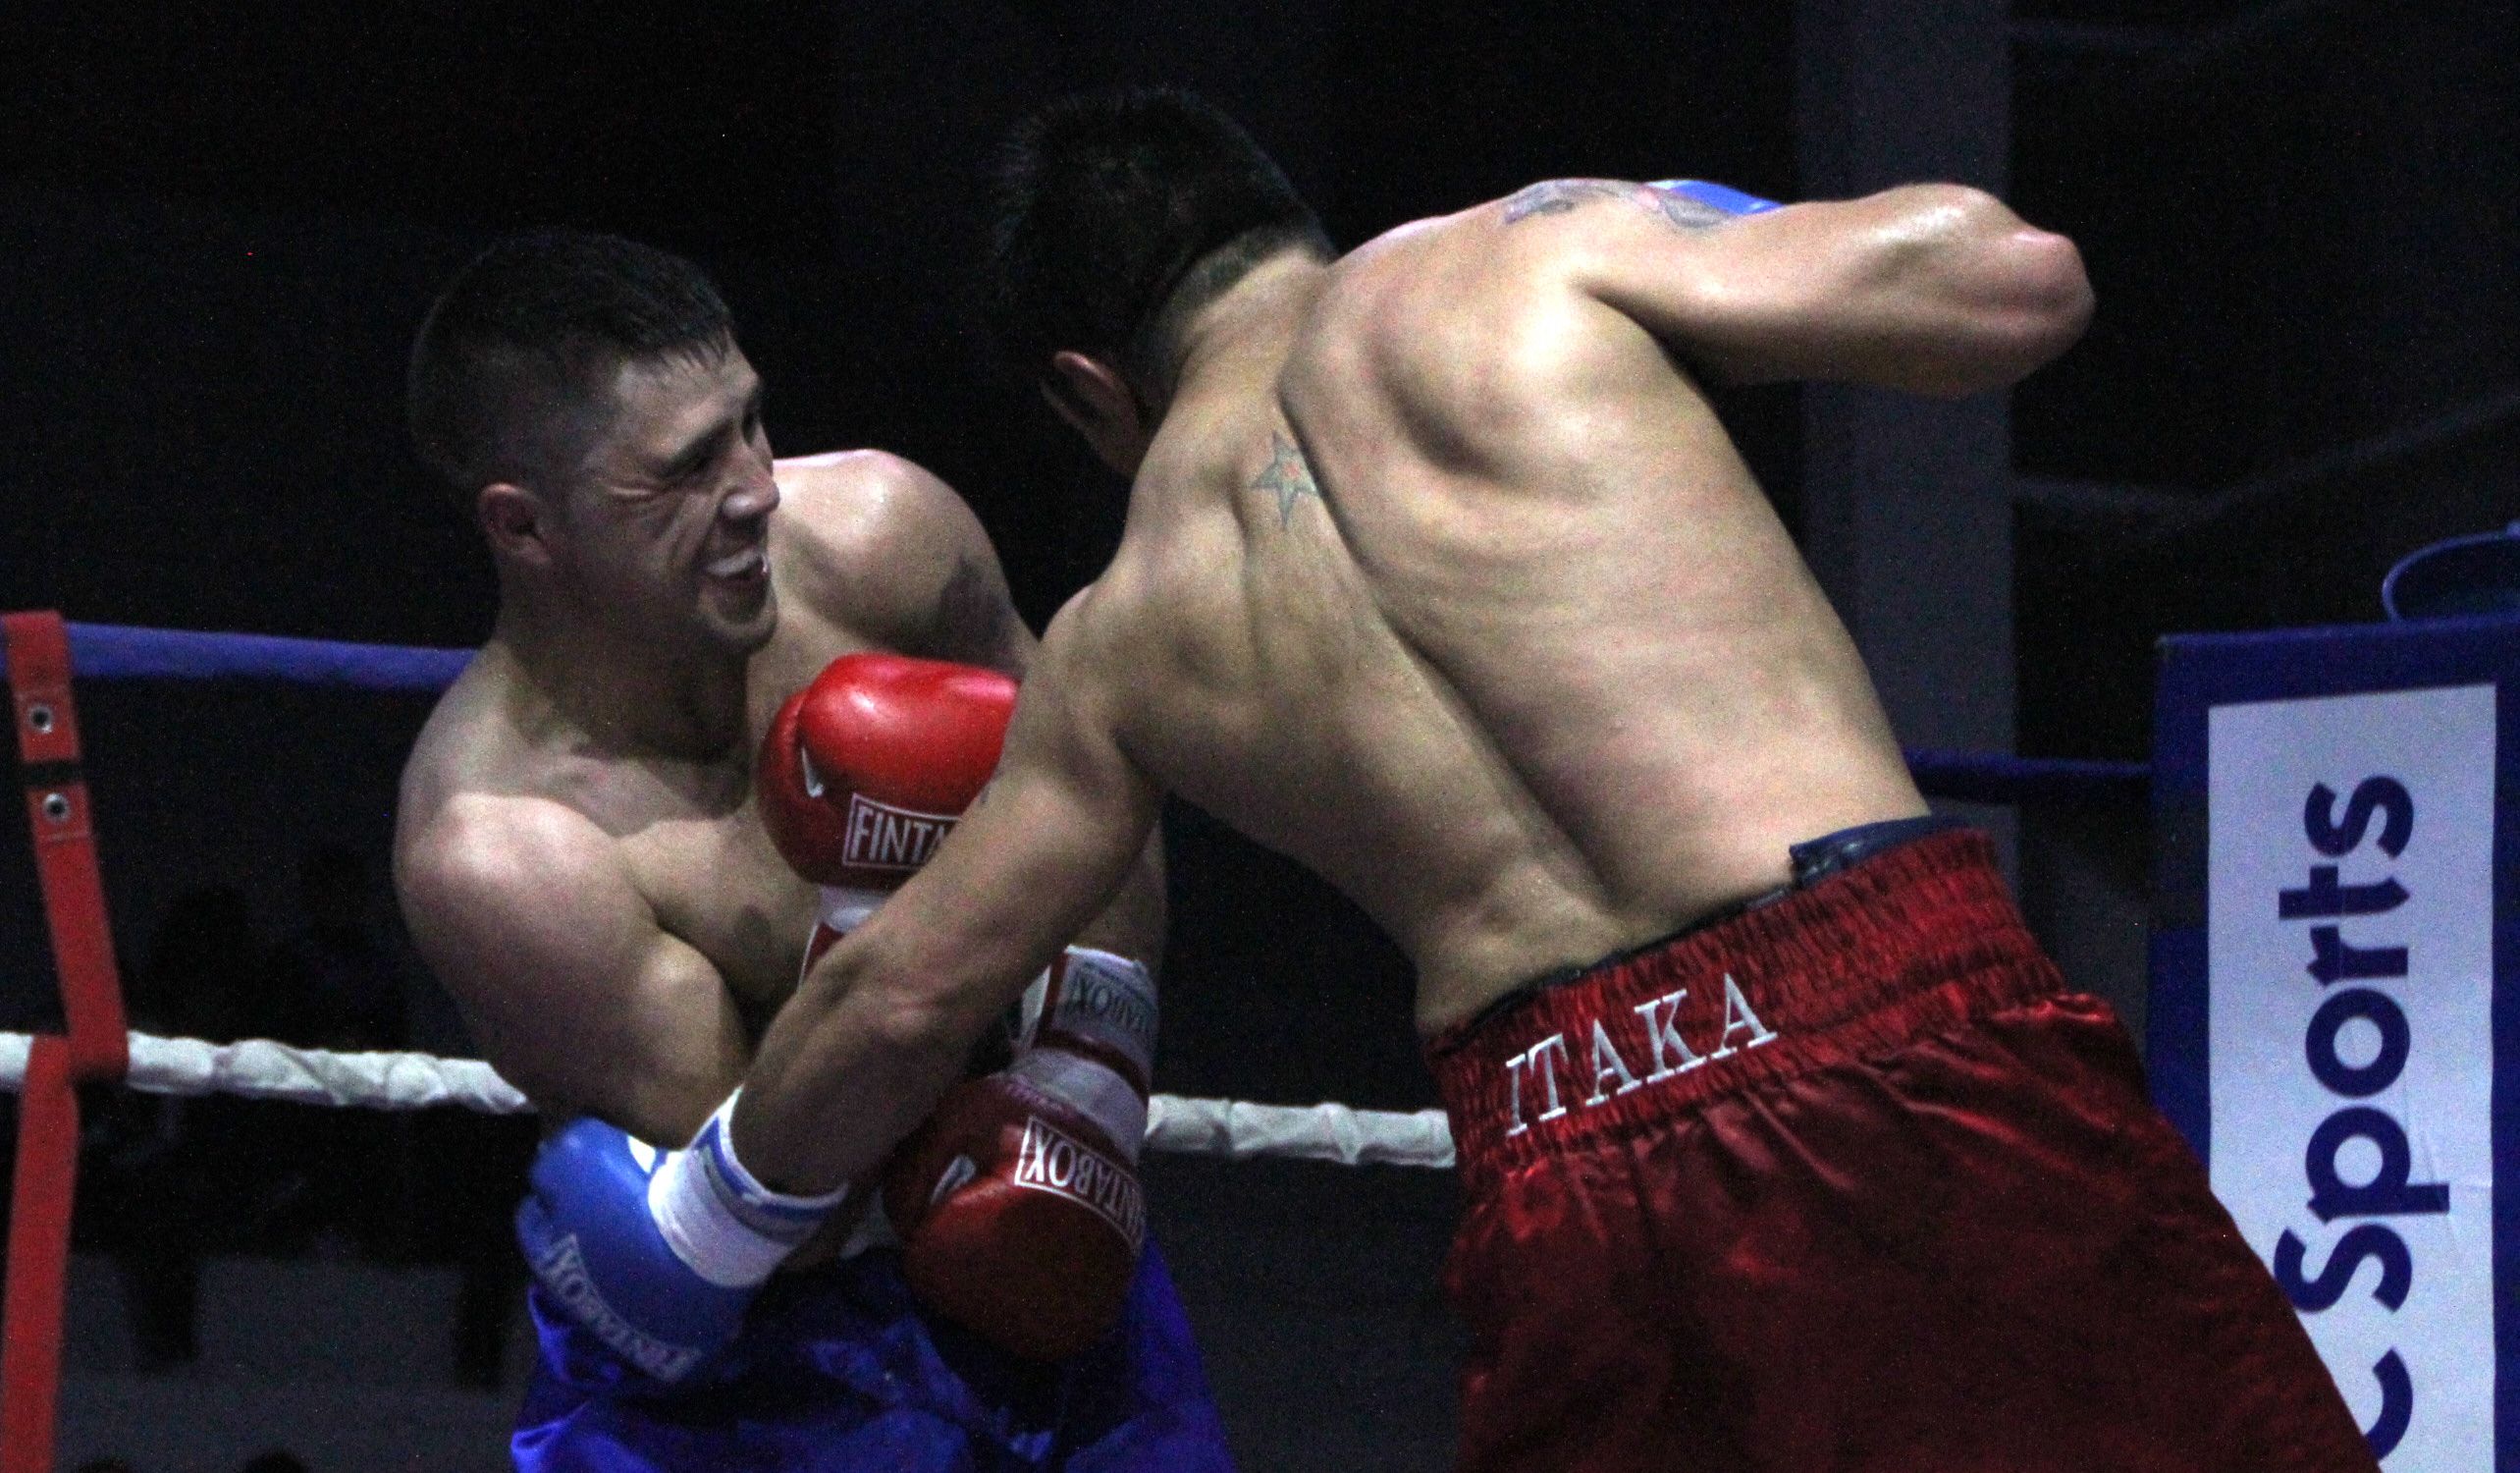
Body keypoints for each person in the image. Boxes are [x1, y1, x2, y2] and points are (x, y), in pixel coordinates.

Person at [532, 93, 2381, 1470]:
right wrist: (1701, 235)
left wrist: (705, 1225)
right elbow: (2017, 285)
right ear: (1281, 221)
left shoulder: (1121, 635)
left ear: (1089, 387)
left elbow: (906, 991)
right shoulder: (1536, 253)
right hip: (1886, 1029)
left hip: (1560, 1160)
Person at [391, 229, 1228, 1469]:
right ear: (524, 528)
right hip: (758, 1365)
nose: (754, 490)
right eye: (682, 471)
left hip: (1043, 1216)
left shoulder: (883, 537)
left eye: (749, 423)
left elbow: (1098, 794)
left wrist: (1084, 1084)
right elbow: (800, 1206)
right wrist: (876, 914)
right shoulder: (509, 851)